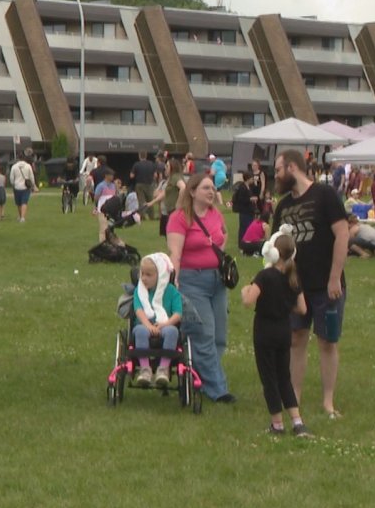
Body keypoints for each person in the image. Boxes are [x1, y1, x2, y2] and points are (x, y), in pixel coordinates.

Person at [272, 149, 349, 419]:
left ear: (292, 167)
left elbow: (342, 235)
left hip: (325, 285)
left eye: (279, 170)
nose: (276, 177)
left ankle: (328, 402)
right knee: (296, 339)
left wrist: (334, 277)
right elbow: (277, 250)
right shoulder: (283, 207)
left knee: (327, 341)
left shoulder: (324, 195)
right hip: (295, 287)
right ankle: (295, 398)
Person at [166, 173, 235, 403]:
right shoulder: (179, 218)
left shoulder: (216, 215)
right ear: (193, 192)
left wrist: (218, 254)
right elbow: (175, 253)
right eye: (206, 187)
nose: (211, 191)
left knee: (219, 335)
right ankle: (218, 389)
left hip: (216, 280)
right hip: (191, 281)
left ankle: (203, 376)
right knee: (203, 333)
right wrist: (174, 278)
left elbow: (224, 236)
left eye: (213, 188)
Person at [241, 229, 313, 438]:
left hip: (264, 330)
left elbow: (248, 301)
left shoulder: (265, 276)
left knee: (269, 378)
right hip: (284, 330)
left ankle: (277, 424)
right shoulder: (292, 278)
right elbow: (302, 309)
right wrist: (284, 303)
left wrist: (246, 289)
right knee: (284, 377)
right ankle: (297, 421)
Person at [131, 253, 183, 388]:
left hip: (165, 324)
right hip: (144, 324)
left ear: (160, 275)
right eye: (142, 274)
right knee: (140, 331)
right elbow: (139, 310)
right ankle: (145, 369)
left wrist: (165, 324)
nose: (144, 278)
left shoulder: (171, 291)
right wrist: (148, 325)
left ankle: (163, 369)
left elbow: (177, 314)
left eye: (148, 275)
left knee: (172, 331)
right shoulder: (140, 291)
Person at [9, 152, 37, 223]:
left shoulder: (14, 166)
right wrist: (33, 185)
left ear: (18, 158)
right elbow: (31, 176)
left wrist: (13, 184)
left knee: (18, 203)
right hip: (26, 187)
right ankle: (23, 217)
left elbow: (11, 178)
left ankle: (20, 215)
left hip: (17, 186)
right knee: (24, 202)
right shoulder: (28, 166)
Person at [128, 151, 157, 220]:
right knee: (150, 200)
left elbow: (131, 176)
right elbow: (155, 175)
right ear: (146, 155)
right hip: (149, 184)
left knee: (141, 200)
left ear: (139, 156)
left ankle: (142, 216)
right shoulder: (151, 164)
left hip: (139, 184)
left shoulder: (136, 164)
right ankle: (151, 216)